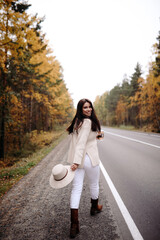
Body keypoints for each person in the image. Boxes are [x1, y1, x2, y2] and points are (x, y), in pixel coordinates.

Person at [66, 98, 103, 238]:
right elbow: (81, 143)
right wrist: (76, 162)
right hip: (87, 158)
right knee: (93, 183)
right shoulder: (87, 122)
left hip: (79, 158)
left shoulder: (77, 122)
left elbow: (82, 140)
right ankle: (94, 207)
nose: (88, 109)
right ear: (80, 109)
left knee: (76, 189)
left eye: (89, 107)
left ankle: (74, 225)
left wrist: (96, 136)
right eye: (85, 108)